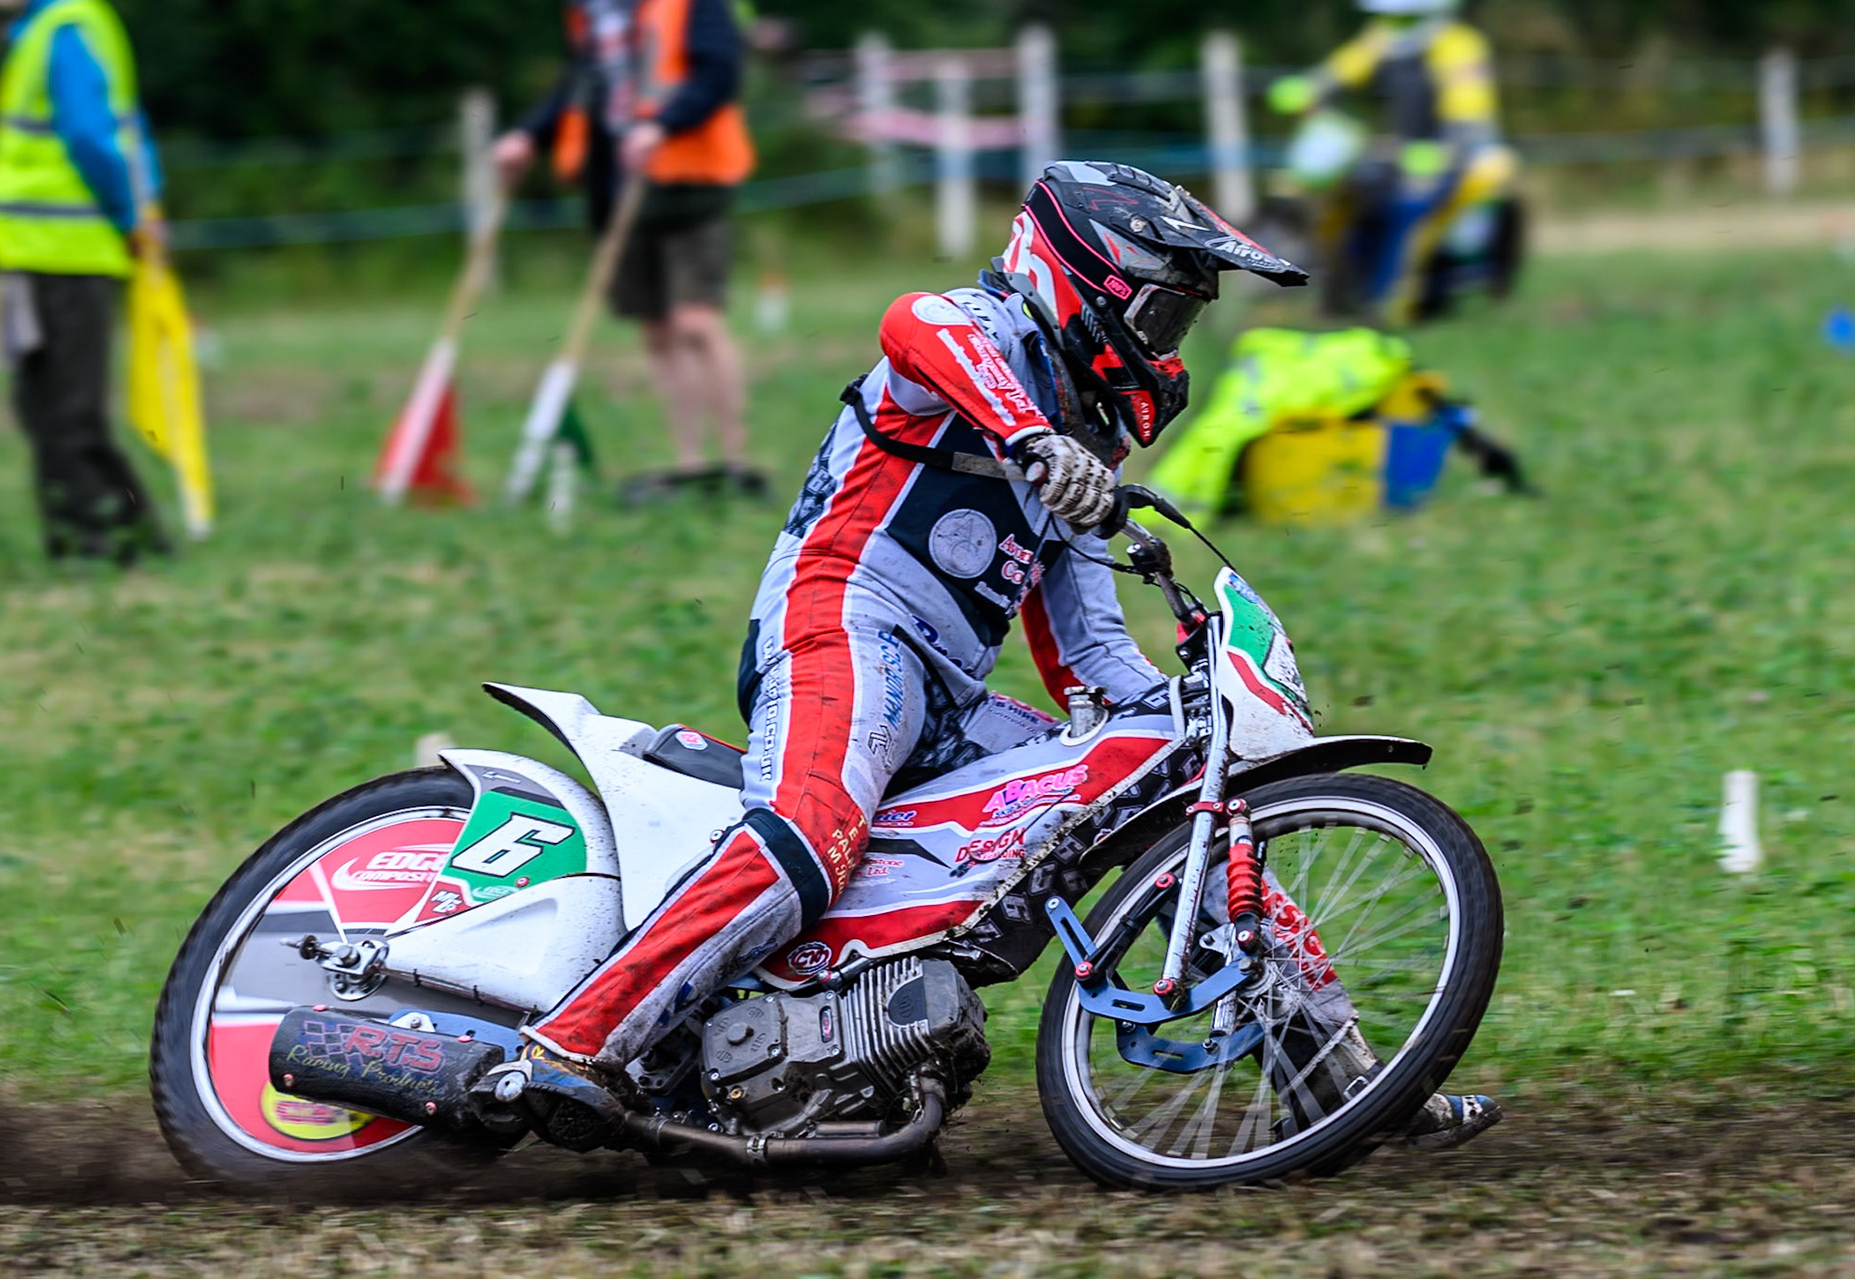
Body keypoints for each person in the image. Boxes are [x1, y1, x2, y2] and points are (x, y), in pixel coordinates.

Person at [489, 161, 1502, 1156]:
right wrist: (1028, 437)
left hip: (945, 692)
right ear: (1090, 277)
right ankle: (573, 1038)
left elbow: (1085, 654)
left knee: (1168, 782)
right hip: (842, 624)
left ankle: (1350, 1087)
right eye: (1162, 315)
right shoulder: (983, 335)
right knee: (811, 830)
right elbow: (911, 321)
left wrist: (1179, 720)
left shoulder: (1077, 446)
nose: (1169, 345)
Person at [494, 0, 760, 495]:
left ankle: (734, 459)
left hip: (689, 181)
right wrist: (528, 136)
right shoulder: (590, 13)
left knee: (696, 322)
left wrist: (664, 123)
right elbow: (579, 88)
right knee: (657, 330)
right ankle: (689, 463)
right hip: (619, 189)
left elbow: (719, 73)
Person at [0, 0, 169, 565]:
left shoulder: (66, 30)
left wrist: (131, 217)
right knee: (45, 408)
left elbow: (93, 136)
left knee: (67, 414)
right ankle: (107, 538)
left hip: (68, 254)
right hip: (37, 254)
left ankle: (103, 544)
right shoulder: (42, 30)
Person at [1269, 0, 1514, 321]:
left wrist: (1444, 151)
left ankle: (1402, 298)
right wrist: (1312, 87)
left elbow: (1469, 110)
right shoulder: (1382, 37)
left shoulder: (1458, 44)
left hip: (1456, 154)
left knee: (1413, 214)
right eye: (1387, 16)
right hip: (1405, 152)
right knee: (1353, 197)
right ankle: (1344, 289)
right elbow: (1346, 67)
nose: (1393, 25)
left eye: (1403, 18)